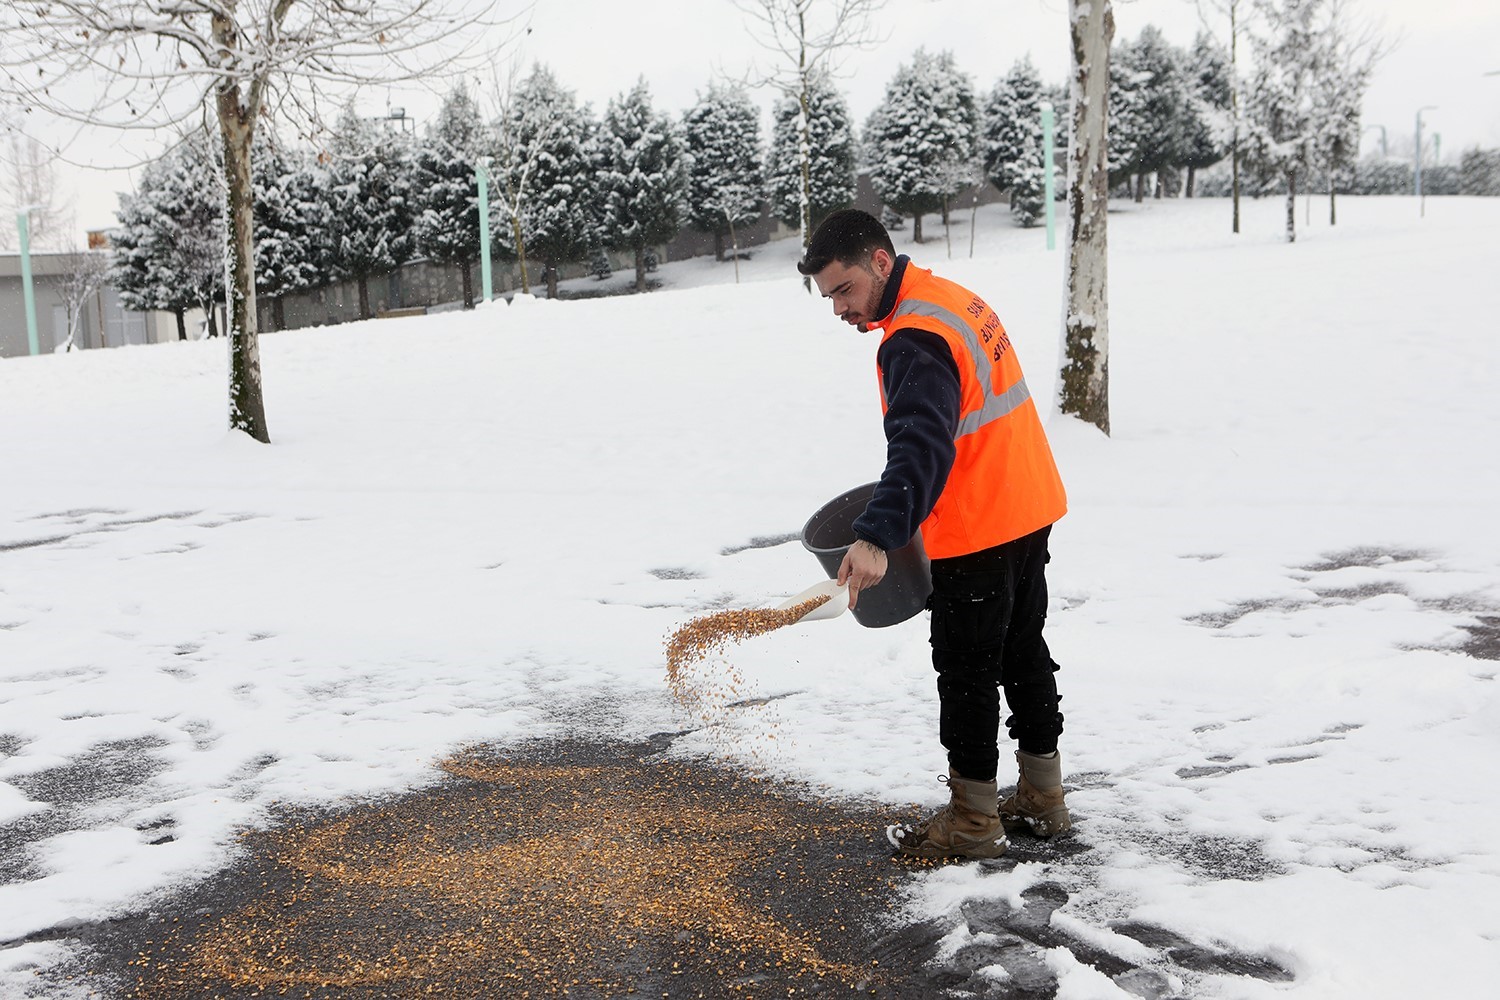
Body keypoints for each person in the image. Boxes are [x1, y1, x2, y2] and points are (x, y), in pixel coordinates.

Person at [797, 209, 1071, 861]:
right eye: (829, 296)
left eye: (844, 290)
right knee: (1023, 651)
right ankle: (1043, 797)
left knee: (967, 670)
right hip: (1026, 504)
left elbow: (921, 445)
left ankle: (974, 823)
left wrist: (876, 536)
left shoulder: (913, 337)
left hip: (978, 526)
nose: (839, 308)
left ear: (880, 263)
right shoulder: (951, 301)